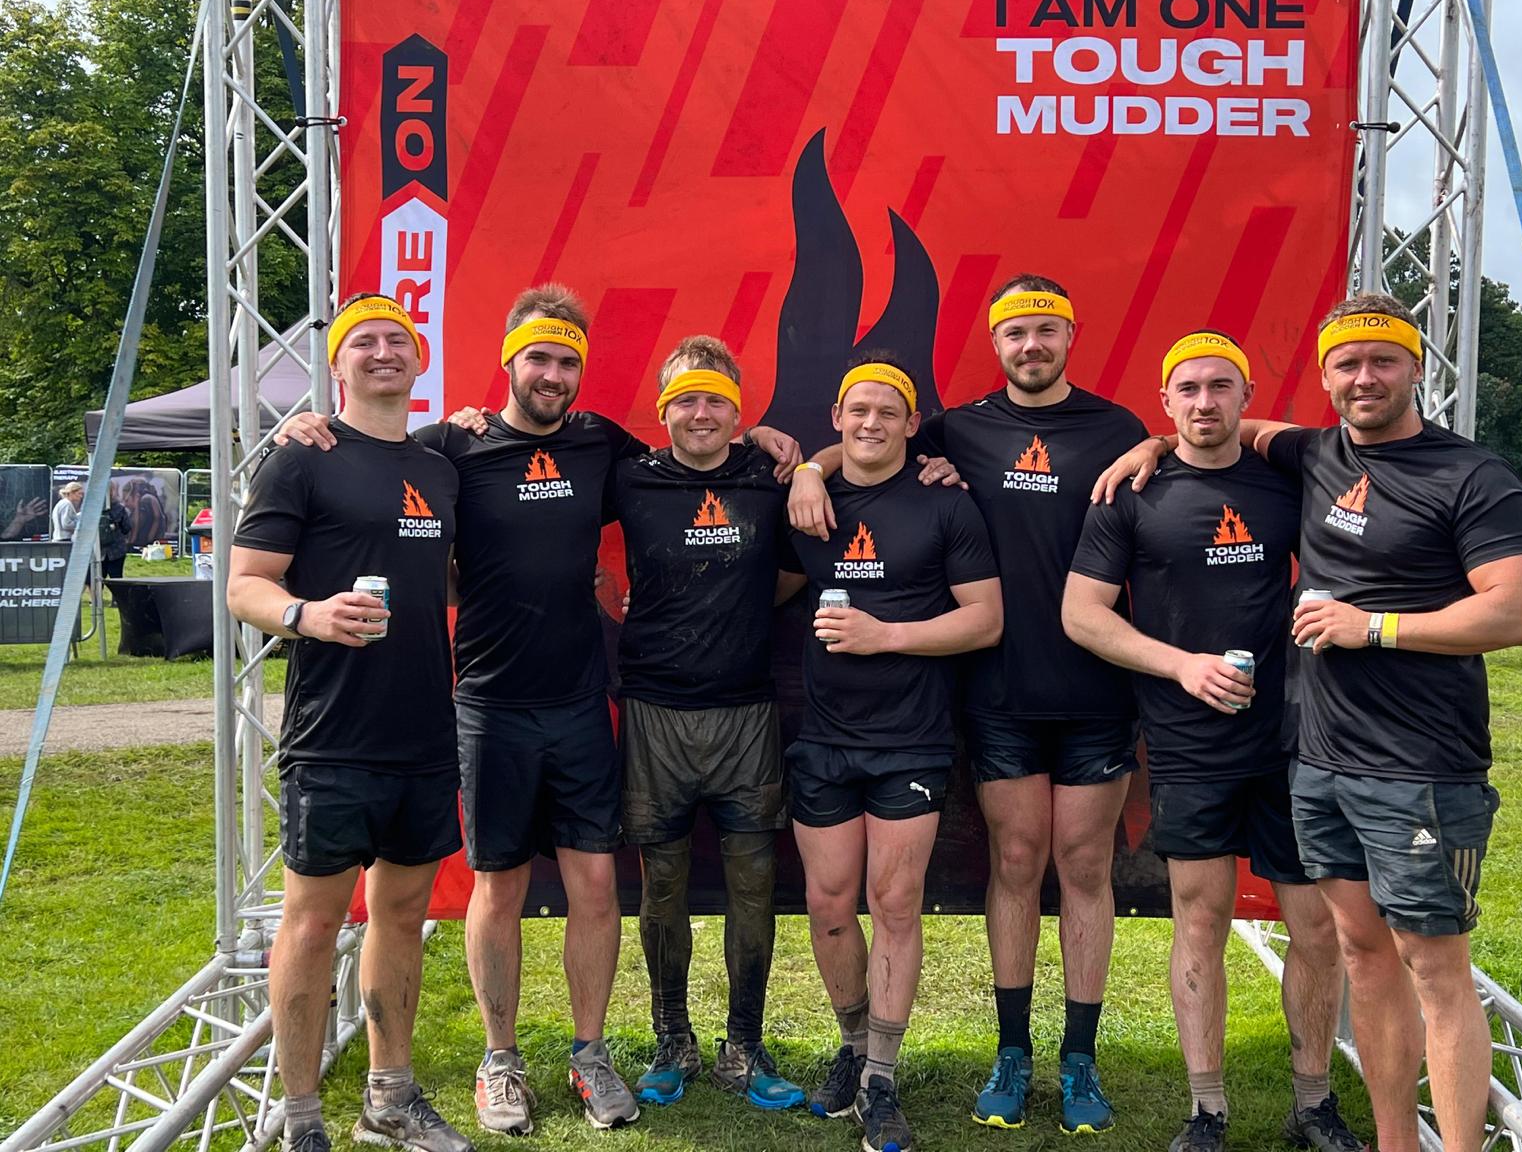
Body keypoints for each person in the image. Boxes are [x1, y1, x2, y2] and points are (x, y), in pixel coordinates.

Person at [276, 284, 798, 1134]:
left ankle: (590, 1054)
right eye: (538, 359)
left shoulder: (601, 444)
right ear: (509, 362)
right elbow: (371, 458)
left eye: (566, 361)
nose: (552, 374)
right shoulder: (453, 445)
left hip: (581, 700)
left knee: (596, 885)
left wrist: (777, 444)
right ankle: (501, 1060)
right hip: (488, 703)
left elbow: (695, 453)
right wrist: (308, 427)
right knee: (499, 885)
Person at [1094, 293, 1522, 1152]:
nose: (1364, 378)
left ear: (1417, 367)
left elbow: (1520, 611)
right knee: (1365, 956)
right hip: (1319, 759)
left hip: (1421, 762)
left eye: (1383, 361)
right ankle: (1391, 1140)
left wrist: (1373, 627)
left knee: (1434, 969)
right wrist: (1153, 444)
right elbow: (1225, 427)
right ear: (1326, 379)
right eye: (1347, 364)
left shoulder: (1470, 473)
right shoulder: (1317, 451)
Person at [791, 274, 1147, 1134]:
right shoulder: (958, 428)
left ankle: (1080, 1058)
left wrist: (1159, 444)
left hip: (1096, 687)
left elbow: (1197, 459)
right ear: (996, 344)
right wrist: (807, 466)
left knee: (1086, 869)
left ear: (1071, 337)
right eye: (1015, 332)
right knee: (1016, 862)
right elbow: (865, 443)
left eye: (1046, 330)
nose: (1031, 345)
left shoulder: (1119, 430)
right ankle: (1012, 1051)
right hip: (996, 692)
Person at [1065, 332, 1358, 1152]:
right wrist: (1181, 666)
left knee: (1316, 927)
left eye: (1220, 386)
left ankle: (1313, 1104)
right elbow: (1080, 614)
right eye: (1187, 389)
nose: (1203, 402)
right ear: (1165, 400)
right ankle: (1206, 1110)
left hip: (1294, 738)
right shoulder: (1130, 493)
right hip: (1188, 741)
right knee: (1201, 920)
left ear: (1246, 395)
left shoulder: (1287, 483)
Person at [228, 293, 468, 1152]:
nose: (381, 352)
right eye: (362, 341)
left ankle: (388, 1101)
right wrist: (308, 615)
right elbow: (244, 582)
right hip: (332, 734)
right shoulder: (302, 456)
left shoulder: (440, 467)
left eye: (396, 339)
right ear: (337, 365)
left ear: (420, 359)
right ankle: (301, 1120)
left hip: (424, 730)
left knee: (401, 917)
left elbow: (440, 573)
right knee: (312, 923)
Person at [781, 354, 1003, 1152]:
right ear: (836, 418)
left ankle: (881, 1076)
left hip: (911, 737)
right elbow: (766, 588)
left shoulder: (947, 504)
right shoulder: (807, 503)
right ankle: (851, 1043)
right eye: (858, 409)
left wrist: (887, 636)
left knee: (895, 903)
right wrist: (805, 471)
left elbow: (985, 620)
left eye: (888, 412)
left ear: (913, 424)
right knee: (828, 905)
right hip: (823, 737)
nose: (871, 423)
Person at [611, 336, 805, 1110]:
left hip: (746, 713)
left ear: (738, 410)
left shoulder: (768, 476)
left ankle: (744, 1047)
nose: (701, 413)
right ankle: (672, 1040)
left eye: (717, 400)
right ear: (663, 410)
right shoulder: (628, 474)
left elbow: (791, 571)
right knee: (662, 887)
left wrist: (738, 601)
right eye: (686, 399)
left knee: (753, 887)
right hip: (655, 711)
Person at [99, 494, 133, 578]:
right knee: (117, 579)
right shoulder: (119, 508)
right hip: (117, 549)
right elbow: (126, 527)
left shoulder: (91, 508)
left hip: (98, 549)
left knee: (96, 579)